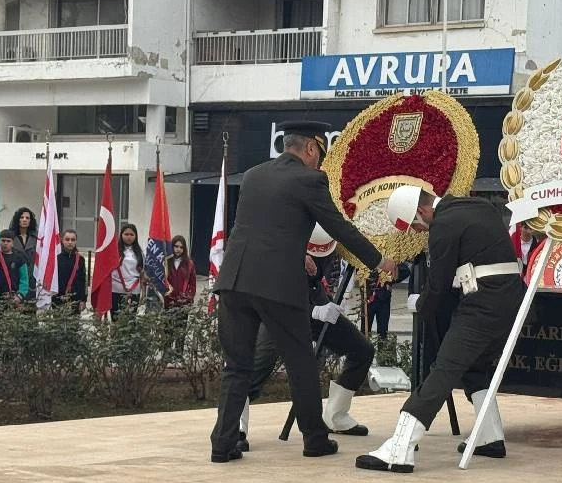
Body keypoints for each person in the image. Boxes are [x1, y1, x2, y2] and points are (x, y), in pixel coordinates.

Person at [210, 120, 397, 464]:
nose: (319, 161)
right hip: (277, 285)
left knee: (236, 366)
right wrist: (378, 259)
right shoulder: (310, 179)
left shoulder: (253, 175)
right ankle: (315, 439)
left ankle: (223, 444)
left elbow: (261, 227)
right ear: (311, 147)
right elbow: (338, 227)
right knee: (301, 364)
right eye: (319, 153)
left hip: (234, 281)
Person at [356, 185, 523, 474]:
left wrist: (420, 305)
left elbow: (439, 281)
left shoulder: (443, 225)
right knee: (475, 367)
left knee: (443, 369)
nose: (419, 232)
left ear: (423, 211)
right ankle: (490, 435)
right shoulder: (478, 206)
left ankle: (400, 449)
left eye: (416, 226)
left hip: (483, 302)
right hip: (510, 298)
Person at [236, 224, 376, 453]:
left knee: (362, 350)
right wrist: (313, 310)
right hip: (278, 309)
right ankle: (236, 427)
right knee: (258, 366)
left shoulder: (327, 237)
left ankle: (336, 416)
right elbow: (275, 289)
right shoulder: (280, 246)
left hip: (314, 301)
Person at [111, 223, 144, 319]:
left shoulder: (139, 252)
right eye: (126, 234)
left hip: (134, 290)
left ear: (135, 236)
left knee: (131, 319)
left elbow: (141, 272)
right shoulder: (114, 251)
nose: (129, 237)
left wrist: (143, 292)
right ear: (121, 235)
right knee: (116, 318)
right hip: (116, 289)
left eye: (131, 234)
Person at [54, 229, 86, 313]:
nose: (70, 242)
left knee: (74, 325)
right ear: (62, 240)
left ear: (76, 241)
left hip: (75, 301)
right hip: (58, 299)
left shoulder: (80, 259)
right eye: (67, 239)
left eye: (73, 240)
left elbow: (83, 281)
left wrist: (83, 300)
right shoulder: (56, 258)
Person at [0, 230, 30, 306]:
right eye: (3, 240)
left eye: (8, 241)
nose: (5, 243)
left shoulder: (19, 259)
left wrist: (20, 296)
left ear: (12, 243)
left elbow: (24, 279)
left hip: (13, 298)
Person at [165, 235, 197, 309]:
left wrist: (188, 298)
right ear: (171, 246)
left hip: (183, 302)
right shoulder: (166, 262)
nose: (178, 249)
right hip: (167, 301)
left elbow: (192, 284)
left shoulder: (189, 264)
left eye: (181, 247)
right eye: (176, 246)